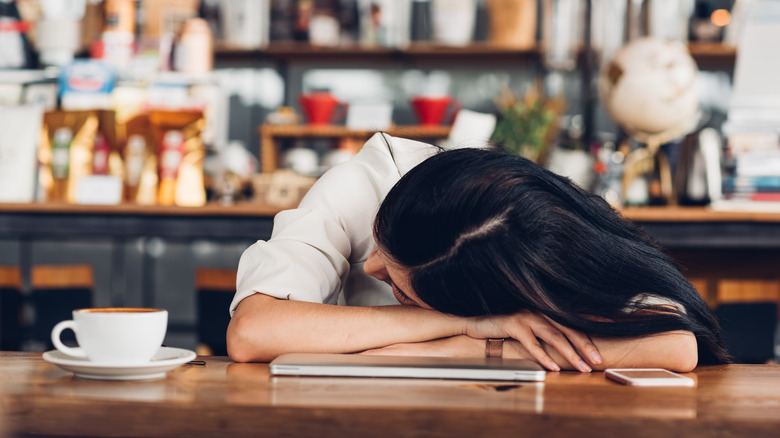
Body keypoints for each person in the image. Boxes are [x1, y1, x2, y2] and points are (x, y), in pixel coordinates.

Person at [227, 133, 729, 371]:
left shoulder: (519, 238)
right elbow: (253, 331)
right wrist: (462, 324)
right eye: (380, 243)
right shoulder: (362, 185)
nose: (369, 266)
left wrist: (470, 349)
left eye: (399, 290)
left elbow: (674, 343)